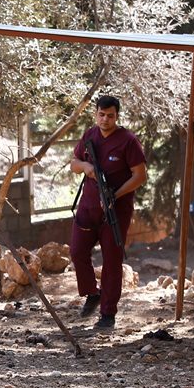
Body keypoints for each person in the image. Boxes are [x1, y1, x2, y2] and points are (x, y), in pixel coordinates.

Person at [69, 95, 147, 331]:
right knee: (77, 251)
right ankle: (92, 293)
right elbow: (73, 163)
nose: (105, 119)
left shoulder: (128, 141)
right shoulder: (90, 135)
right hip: (88, 206)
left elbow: (140, 176)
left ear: (117, 115)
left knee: (112, 261)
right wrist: (86, 167)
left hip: (116, 211)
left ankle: (107, 314)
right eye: (101, 115)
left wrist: (116, 194)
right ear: (96, 114)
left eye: (110, 115)